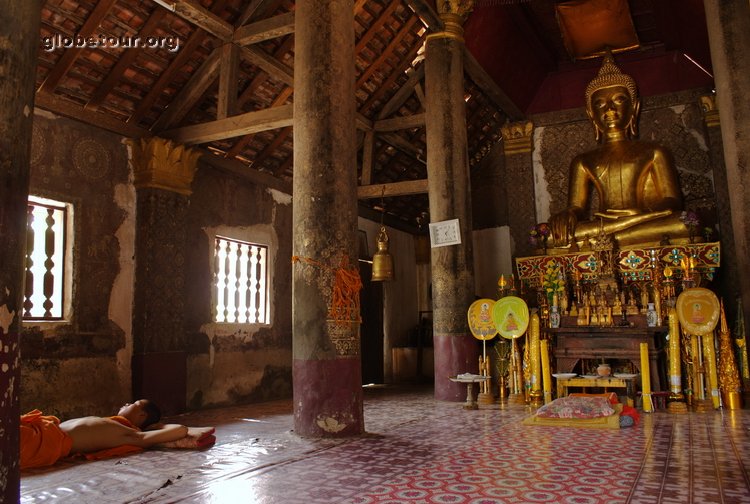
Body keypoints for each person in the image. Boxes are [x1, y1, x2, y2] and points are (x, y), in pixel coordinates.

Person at [548, 51, 690, 250]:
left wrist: (640, 217)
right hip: (603, 227)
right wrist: (567, 216)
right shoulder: (582, 160)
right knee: (550, 237)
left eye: (619, 100)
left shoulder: (654, 152)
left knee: (683, 223)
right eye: (600, 103)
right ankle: (615, 232)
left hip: (643, 222)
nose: (609, 109)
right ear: (591, 114)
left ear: (635, 107)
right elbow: (577, 208)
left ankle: (618, 232)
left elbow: (672, 201)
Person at [20, 399, 189, 469]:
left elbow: (181, 429)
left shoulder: (129, 434)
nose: (126, 403)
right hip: (41, 430)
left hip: (42, 442)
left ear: (142, 416)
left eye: (133, 403)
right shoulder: (113, 423)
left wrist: (159, 426)